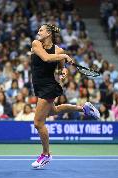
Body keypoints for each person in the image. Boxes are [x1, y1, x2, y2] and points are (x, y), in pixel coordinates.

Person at [30, 24, 100, 169]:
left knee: (38, 123)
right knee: (53, 111)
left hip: (48, 86)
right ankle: (84, 108)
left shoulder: (59, 50)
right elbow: (46, 58)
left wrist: (63, 71)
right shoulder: (36, 44)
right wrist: (65, 57)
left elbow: (62, 67)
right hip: (38, 85)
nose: (38, 32)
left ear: (48, 33)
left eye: (41, 30)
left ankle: (46, 154)